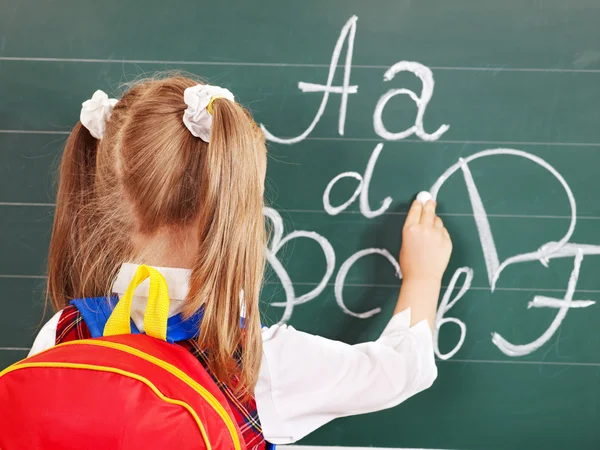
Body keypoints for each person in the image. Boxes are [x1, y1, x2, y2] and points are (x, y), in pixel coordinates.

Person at [29, 75, 452, 447]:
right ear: (232, 208)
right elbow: (399, 371)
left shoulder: (63, 335)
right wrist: (423, 276)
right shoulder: (255, 364)